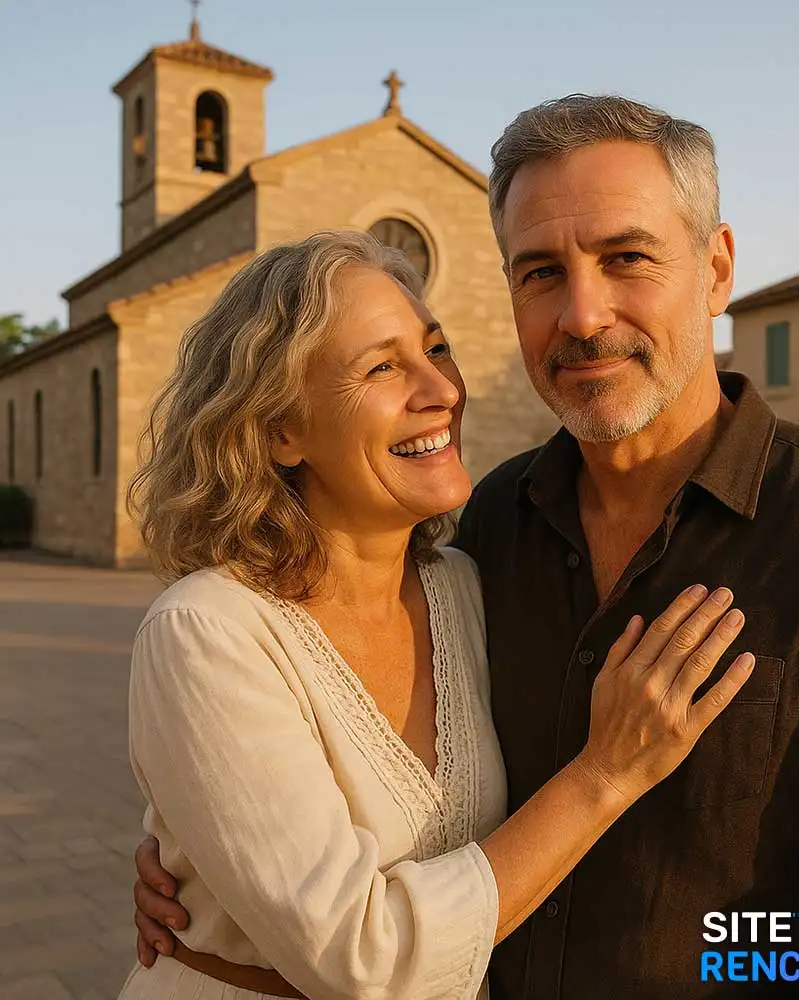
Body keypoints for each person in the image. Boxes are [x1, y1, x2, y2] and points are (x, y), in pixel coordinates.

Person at [133, 97, 799, 997]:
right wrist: (210, 881)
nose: (582, 315)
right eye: (541, 272)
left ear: (715, 270)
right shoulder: (491, 530)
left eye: (627, 258)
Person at [117, 228, 754, 1000]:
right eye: (382, 366)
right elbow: (364, 958)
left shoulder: (465, 586)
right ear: (281, 428)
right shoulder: (208, 631)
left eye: (437, 349)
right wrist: (606, 773)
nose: (442, 391)